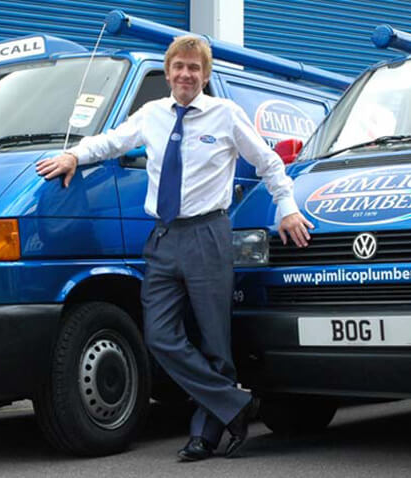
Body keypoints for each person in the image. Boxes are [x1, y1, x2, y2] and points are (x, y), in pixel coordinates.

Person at [36, 35, 313, 461]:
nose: (186, 74)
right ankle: (233, 405)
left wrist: (287, 207)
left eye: (195, 68)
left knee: (214, 341)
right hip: (164, 238)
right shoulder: (151, 114)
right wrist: (74, 155)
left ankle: (205, 434)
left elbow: (269, 162)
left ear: (205, 75)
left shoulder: (226, 114)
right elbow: (112, 141)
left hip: (208, 235)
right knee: (160, 336)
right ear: (168, 73)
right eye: (179, 67)